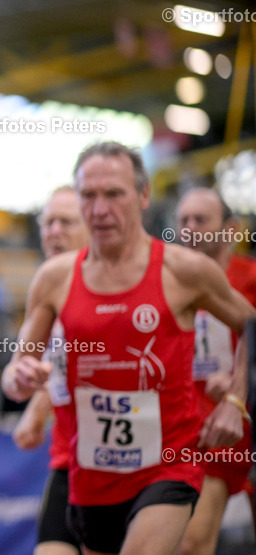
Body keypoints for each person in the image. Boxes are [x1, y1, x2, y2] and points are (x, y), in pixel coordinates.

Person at [2, 141, 255, 555]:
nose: (100, 209)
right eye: (89, 195)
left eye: (114, 194)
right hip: (91, 475)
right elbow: (16, 372)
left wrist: (235, 400)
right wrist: (21, 379)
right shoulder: (54, 279)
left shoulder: (184, 270)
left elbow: (251, 326)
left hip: (169, 464)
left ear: (143, 196)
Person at [175, 187, 256, 555]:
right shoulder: (168, 281)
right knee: (187, 542)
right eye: (183, 220)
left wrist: (245, 376)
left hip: (234, 425)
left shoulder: (250, 278)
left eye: (201, 220)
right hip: (184, 429)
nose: (190, 228)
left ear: (230, 229)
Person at [12, 186, 89, 555]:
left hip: (137, 467)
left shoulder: (118, 286)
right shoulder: (46, 286)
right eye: (49, 222)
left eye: (67, 222)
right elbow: (40, 366)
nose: (54, 231)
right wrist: (34, 407)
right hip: (68, 459)